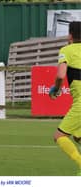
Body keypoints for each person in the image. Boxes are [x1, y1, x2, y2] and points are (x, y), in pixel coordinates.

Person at [49, 21, 81, 176]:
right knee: (78, 136)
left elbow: (61, 75)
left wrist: (56, 88)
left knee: (59, 136)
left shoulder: (66, 50)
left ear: (70, 35)